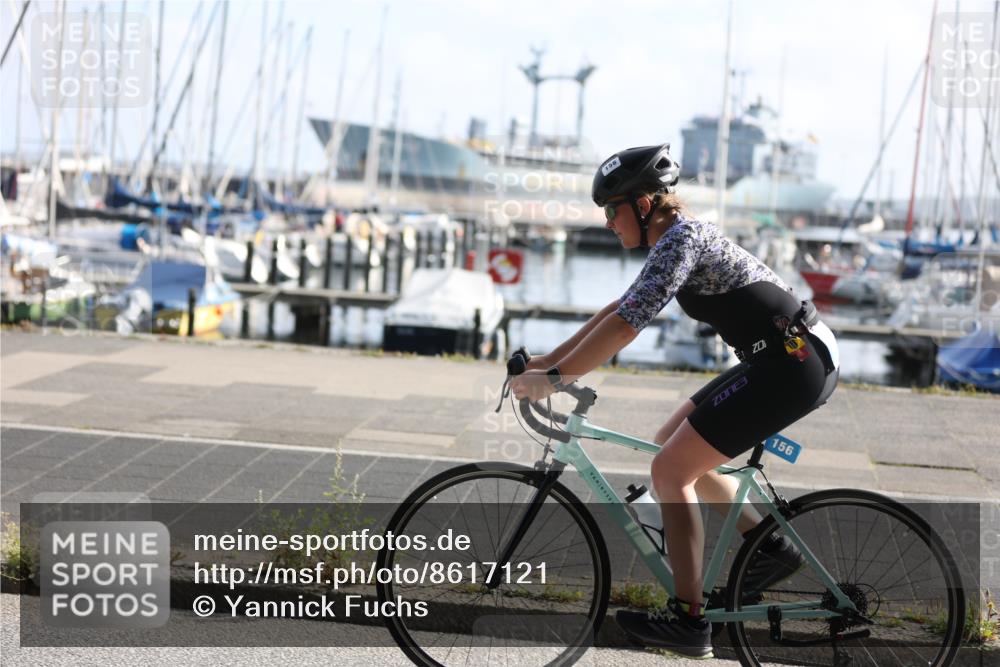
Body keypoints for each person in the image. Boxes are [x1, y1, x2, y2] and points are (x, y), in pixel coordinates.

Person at [510, 143, 839, 659]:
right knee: (670, 443)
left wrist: (555, 380)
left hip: (795, 363)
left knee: (670, 470)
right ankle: (769, 547)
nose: (606, 223)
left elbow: (626, 327)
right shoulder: (674, 240)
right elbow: (621, 307)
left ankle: (689, 620)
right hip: (780, 359)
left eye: (611, 210)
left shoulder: (682, 239)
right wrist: (551, 361)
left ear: (643, 205)